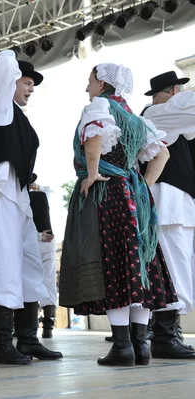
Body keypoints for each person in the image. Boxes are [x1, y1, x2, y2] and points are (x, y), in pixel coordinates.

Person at [59, 63, 177, 367]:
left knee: (112, 264)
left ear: (102, 84)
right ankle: (141, 347)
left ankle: (122, 347)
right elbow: (161, 153)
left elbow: (94, 136)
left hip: (107, 194)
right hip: (134, 196)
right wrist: (144, 185)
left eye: (90, 81)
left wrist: (94, 172)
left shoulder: (99, 105)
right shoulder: (136, 119)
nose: (87, 88)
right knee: (136, 265)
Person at [0, 50, 62, 365]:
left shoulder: (14, 113)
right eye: (27, 82)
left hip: (17, 192)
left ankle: (27, 338)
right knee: (3, 261)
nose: (31, 88)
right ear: (10, 81)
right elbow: (1, 67)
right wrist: (11, 61)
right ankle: (2, 343)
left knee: (25, 261)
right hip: (1, 192)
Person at [139, 71, 195, 359]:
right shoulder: (155, 113)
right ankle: (164, 336)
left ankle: (169, 333)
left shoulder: (173, 120)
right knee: (172, 266)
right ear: (174, 91)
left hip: (179, 202)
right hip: (167, 200)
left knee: (181, 265)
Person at [28, 174, 58, 339]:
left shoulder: (17, 198)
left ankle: (28, 326)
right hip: (46, 241)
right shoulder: (42, 195)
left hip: (28, 244)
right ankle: (48, 326)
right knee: (48, 283)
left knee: (27, 284)